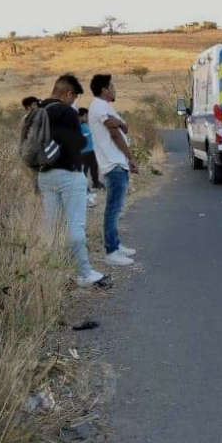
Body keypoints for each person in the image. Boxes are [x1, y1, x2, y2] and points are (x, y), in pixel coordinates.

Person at [35, 75, 105, 287]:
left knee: (53, 225)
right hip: (68, 173)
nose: (74, 101)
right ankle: (83, 273)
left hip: (44, 175)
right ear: (67, 94)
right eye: (74, 97)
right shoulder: (66, 111)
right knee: (75, 225)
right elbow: (77, 144)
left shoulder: (38, 111)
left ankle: (57, 271)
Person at [88, 74, 139, 267]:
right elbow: (115, 132)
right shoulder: (99, 106)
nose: (115, 89)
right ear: (104, 90)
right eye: (112, 86)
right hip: (114, 164)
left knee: (116, 209)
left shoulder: (106, 107)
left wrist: (118, 122)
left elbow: (124, 127)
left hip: (118, 163)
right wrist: (132, 158)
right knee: (113, 210)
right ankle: (111, 251)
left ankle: (116, 245)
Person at [78, 108, 104, 191]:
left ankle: (96, 183)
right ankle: (84, 187)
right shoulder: (78, 127)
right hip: (84, 152)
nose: (87, 118)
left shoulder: (86, 125)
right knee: (84, 170)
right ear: (79, 117)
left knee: (94, 168)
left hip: (92, 150)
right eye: (85, 116)